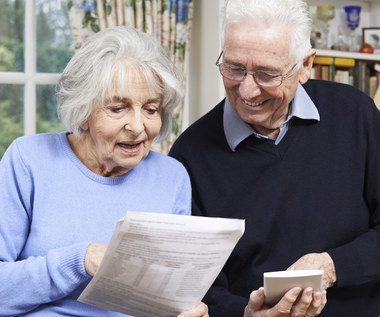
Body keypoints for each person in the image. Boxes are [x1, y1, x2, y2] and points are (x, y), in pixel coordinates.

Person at [169, 0, 380, 316]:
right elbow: (198, 289)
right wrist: (248, 313)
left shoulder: (356, 114)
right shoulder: (189, 156)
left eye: (267, 74)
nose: (247, 91)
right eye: (234, 68)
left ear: (306, 65)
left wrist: (332, 266)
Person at [0, 26, 208, 317]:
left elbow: (168, 296)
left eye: (150, 109)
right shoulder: (28, 160)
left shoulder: (172, 178)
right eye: (118, 108)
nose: (138, 126)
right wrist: (80, 261)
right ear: (83, 111)